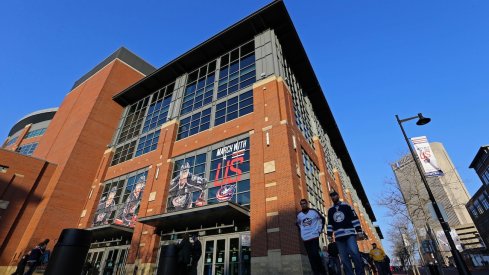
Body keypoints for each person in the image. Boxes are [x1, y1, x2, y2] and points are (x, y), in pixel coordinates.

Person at [327, 190, 365, 275]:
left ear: (338, 196)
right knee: (344, 259)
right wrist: (329, 235)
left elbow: (354, 218)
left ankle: (360, 273)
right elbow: (330, 223)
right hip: (338, 237)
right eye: (332, 196)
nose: (333, 197)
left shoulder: (347, 206)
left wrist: (359, 230)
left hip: (349, 234)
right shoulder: (330, 210)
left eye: (335, 195)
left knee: (355, 254)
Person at [296, 199, 327, 275]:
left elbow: (322, 219)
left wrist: (319, 230)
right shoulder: (299, 215)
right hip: (306, 239)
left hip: (314, 236)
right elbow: (298, 224)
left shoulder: (313, 212)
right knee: (310, 257)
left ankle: (322, 272)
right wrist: (302, 233)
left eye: (304, 203)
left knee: (315, 254)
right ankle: (315, 272)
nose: (303, 205)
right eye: (301, 204)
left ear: (307, 204)